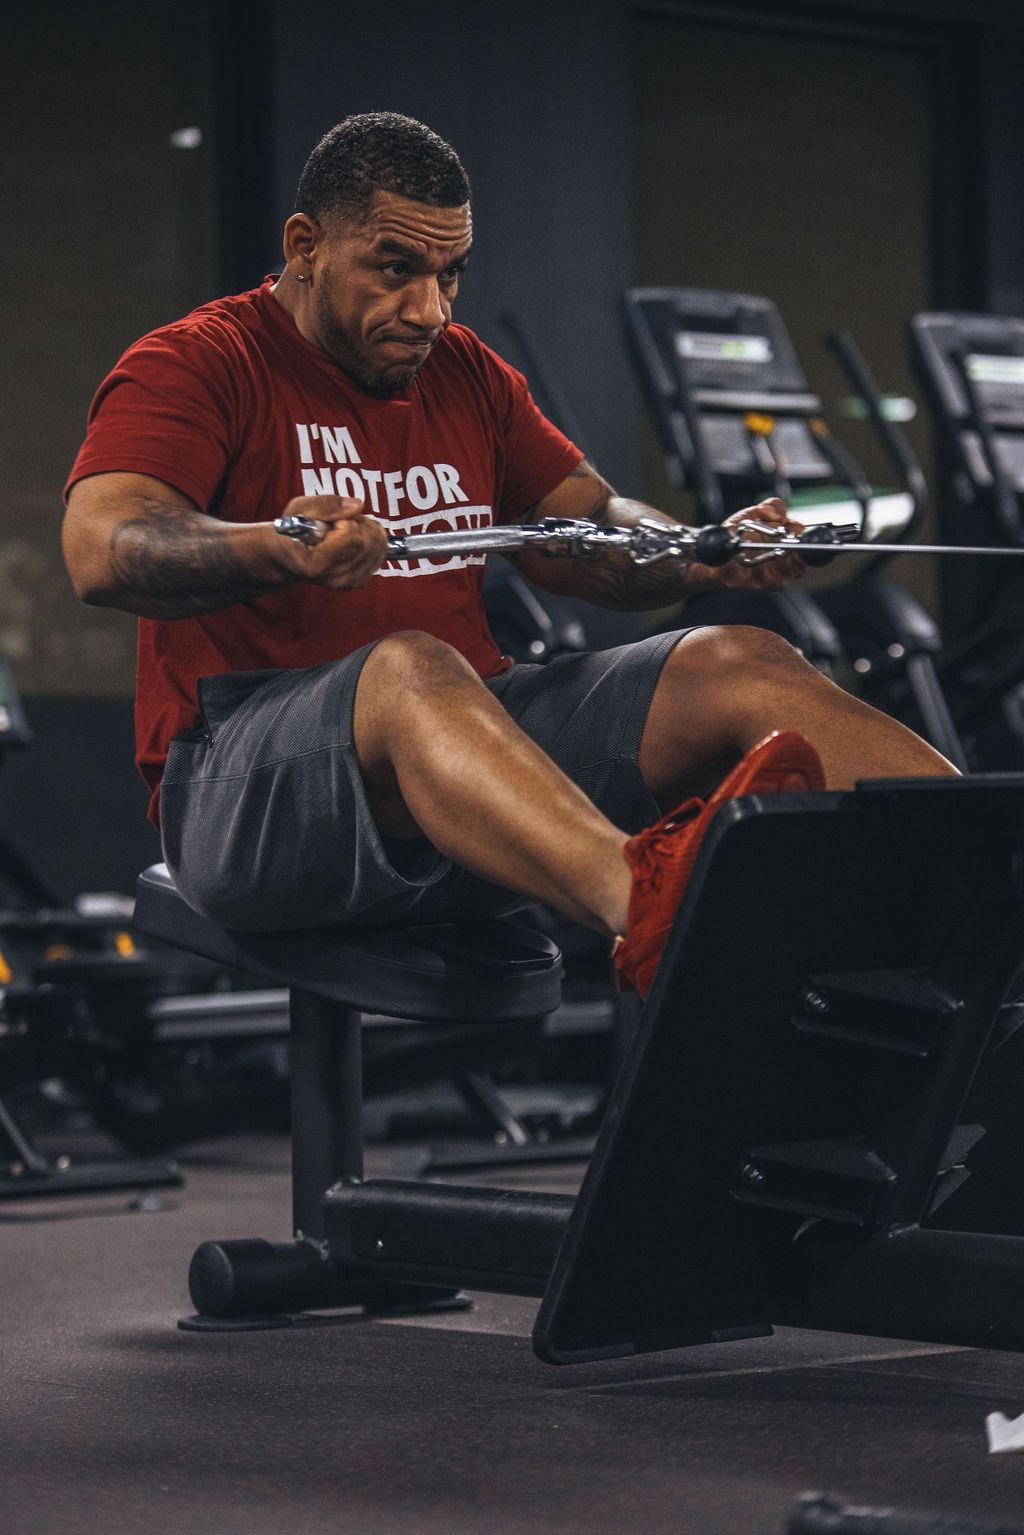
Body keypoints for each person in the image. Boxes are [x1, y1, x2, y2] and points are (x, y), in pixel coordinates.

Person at [62, 113, 955, 999]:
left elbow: (588, 526)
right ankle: (653, 907)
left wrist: (694, 553)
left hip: (463, 776)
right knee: (411, 668)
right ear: (305, 245)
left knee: (740, 658)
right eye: (396, 269)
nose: (430, 310)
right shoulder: (201, 362)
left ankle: (992, 866)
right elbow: (104, 547)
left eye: (450, 275)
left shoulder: (466, 372)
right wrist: (280, 545)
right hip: (245, 799)